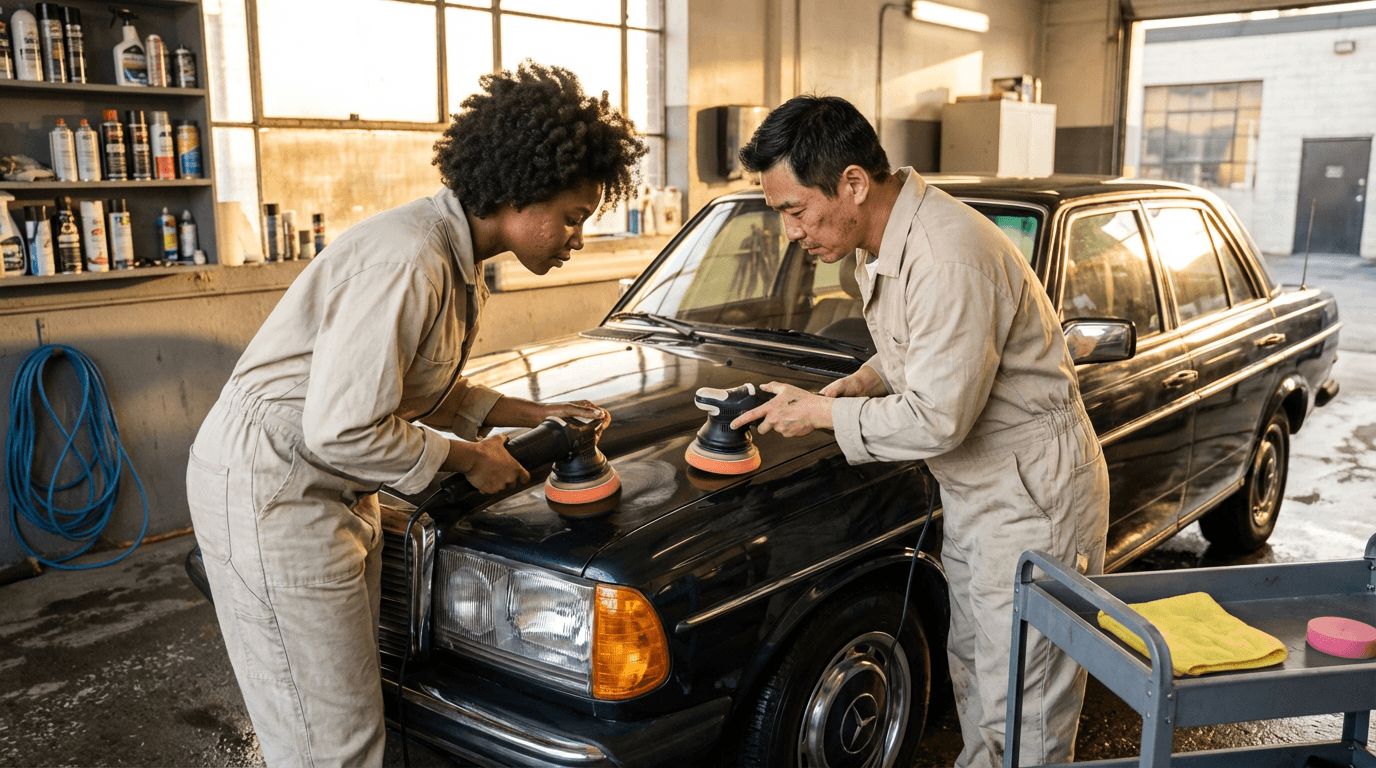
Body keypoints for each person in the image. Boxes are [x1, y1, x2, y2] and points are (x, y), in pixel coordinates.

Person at [185, 62, 646, 767]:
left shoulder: (455, 260)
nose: (578, 238)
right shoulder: (411, 260)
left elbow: (430, 393)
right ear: (522, 191)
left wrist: (536, 411)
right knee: (328, 742)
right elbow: (341, 428)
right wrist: (469, 457)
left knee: (352, 710)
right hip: (272, 486)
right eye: (575, 218)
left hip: (329, 483)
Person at [731, 95, 1109, 768]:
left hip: (1032, 494)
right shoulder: (879, 243)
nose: (791, 231)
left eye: (794, 210)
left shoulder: (946, 254)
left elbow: (938, 415)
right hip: (982, 489)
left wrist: (819, 412)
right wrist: (868, 380)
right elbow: (930, 340)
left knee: (1022, 705)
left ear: (852, 182)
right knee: (977, 671)